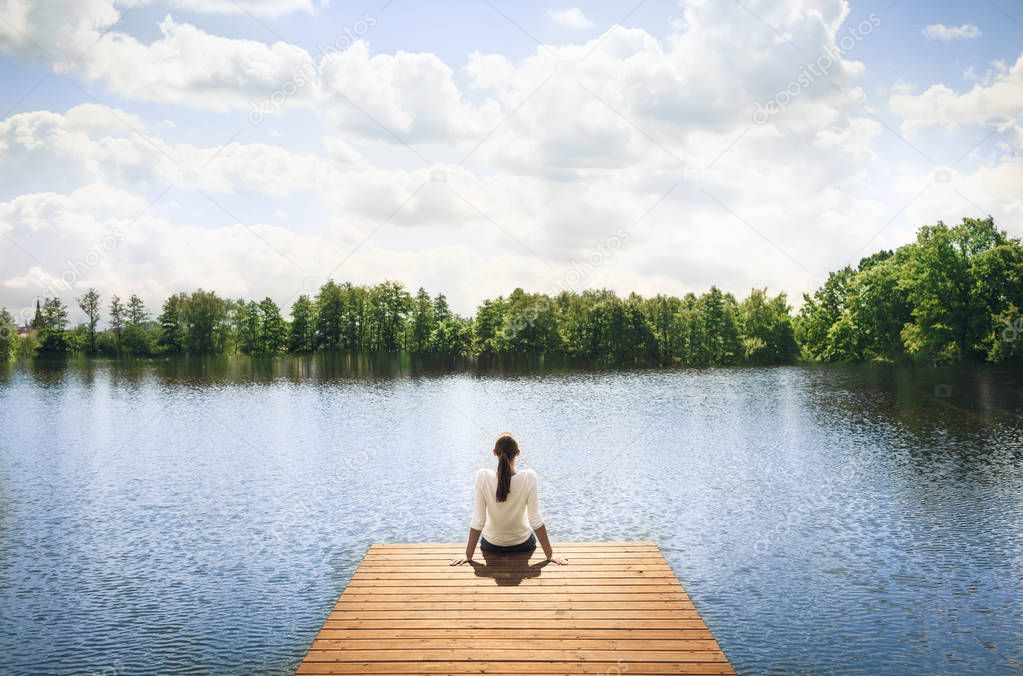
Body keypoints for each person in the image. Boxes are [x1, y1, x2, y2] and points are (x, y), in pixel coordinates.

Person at [450, 433, 567, 566]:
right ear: (517, 453)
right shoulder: (529, 477)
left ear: (494, 453)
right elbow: (535, 519)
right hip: (523, 544)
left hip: (491, 545)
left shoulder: (482, 477)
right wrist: (550, 555)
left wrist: (468, 555)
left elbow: (478, 520)